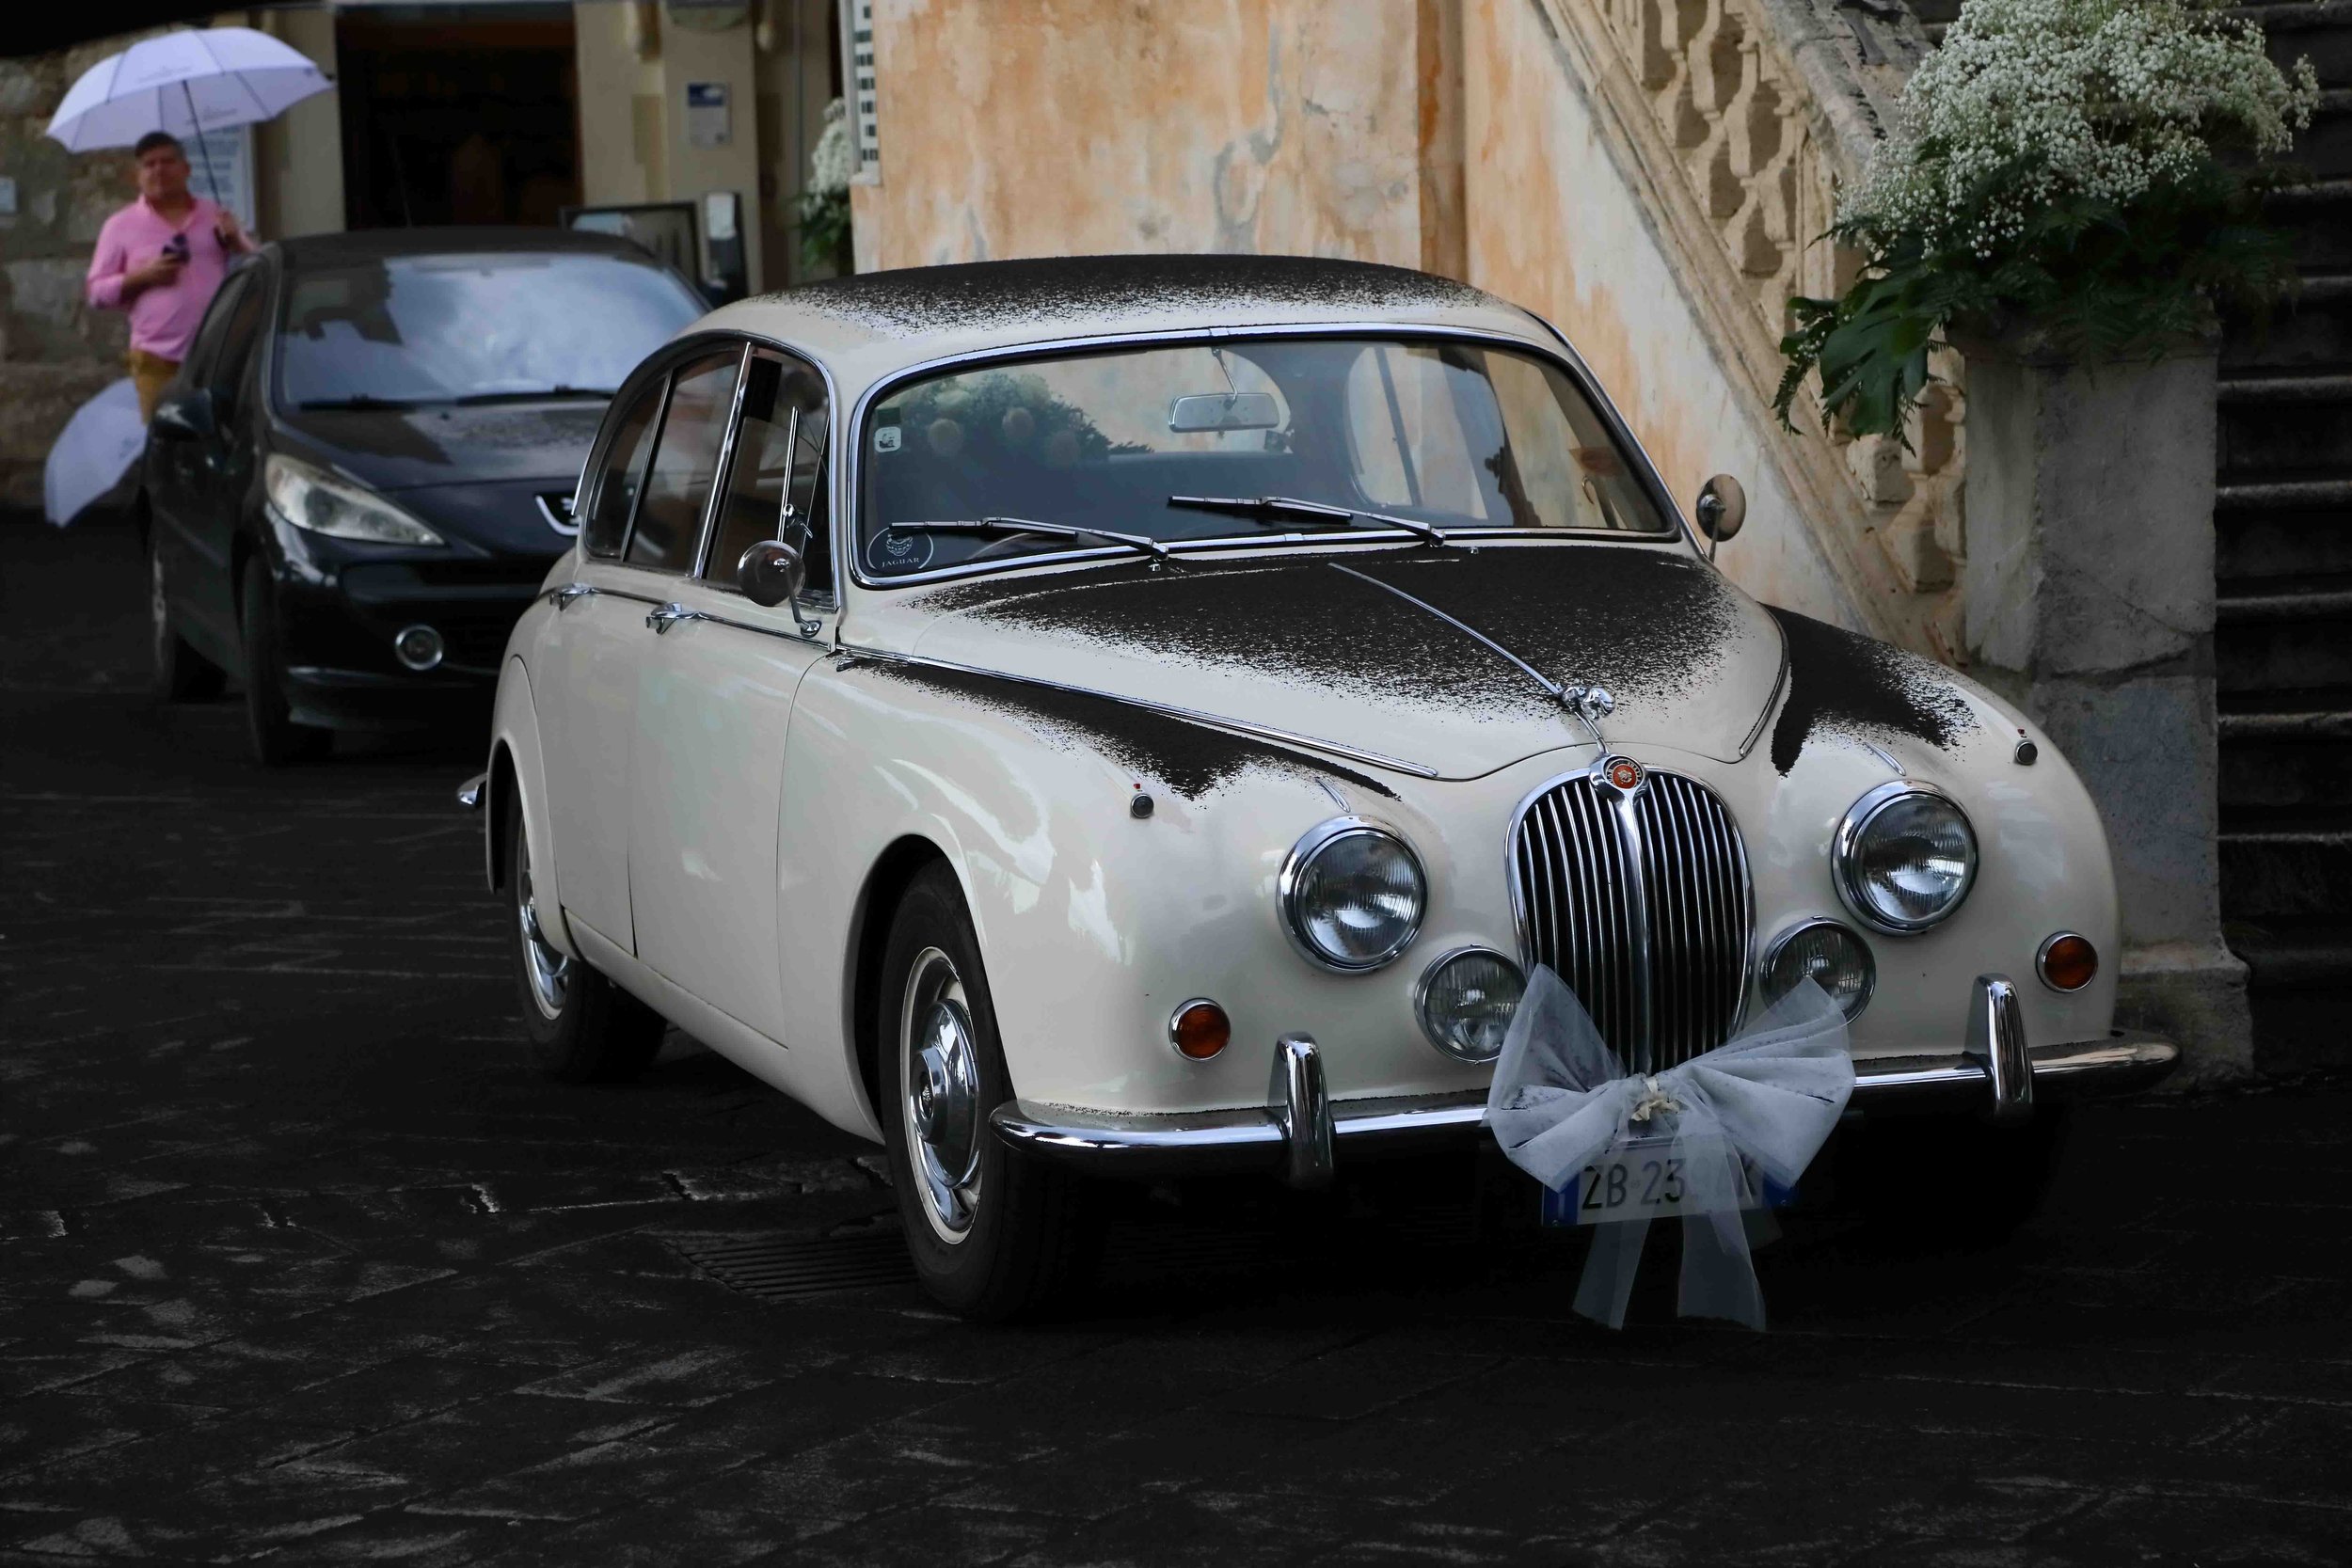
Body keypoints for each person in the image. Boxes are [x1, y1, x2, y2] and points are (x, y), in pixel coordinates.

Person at [85, 132, 258, 421]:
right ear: (136, 175)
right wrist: (142, 277)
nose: (159, 170)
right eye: (149, 164)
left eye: (167, 161)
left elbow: (255, 267)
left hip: (218, 352)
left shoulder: (215, 215)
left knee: (223, 437)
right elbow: (95, 293)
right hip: (157, 361)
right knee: (167, 444)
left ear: (186, 169)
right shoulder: (119, 226)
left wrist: (238, 241)